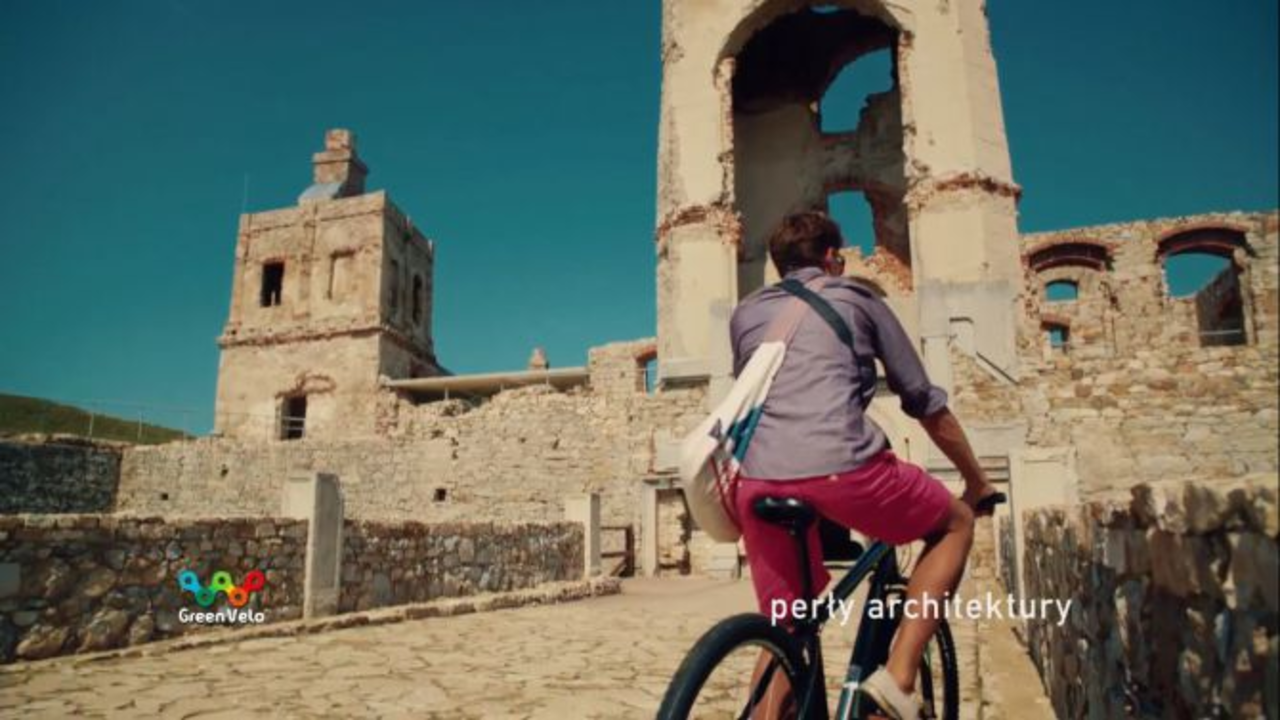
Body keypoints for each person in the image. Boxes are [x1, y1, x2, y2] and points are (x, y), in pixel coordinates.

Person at [729, 211, 1001, 720]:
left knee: (788, 620)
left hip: (756, 481)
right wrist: (975, 479)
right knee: (955, 524)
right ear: (832, 258)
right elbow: (923, 401)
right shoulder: (857, 298)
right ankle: (897, 680)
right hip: (844, 469)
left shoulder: (745, 314)